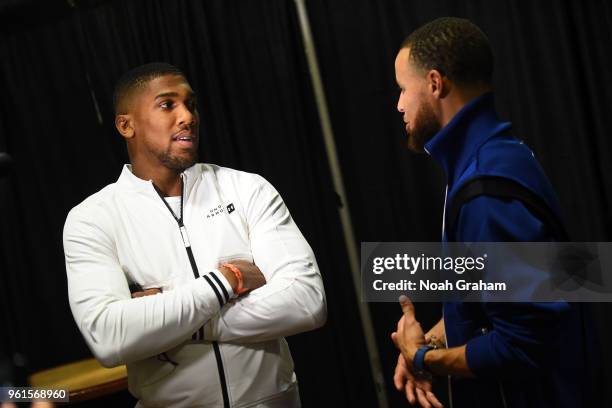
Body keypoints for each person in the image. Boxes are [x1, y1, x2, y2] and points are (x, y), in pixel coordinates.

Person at [63, 63, 326, 408]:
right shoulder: (92, 219)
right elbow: (109, 338)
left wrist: (168, 321)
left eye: (191, 104)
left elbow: (306, 302)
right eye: (167, 104)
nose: (188, 116)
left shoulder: (246, 189)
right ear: (126, 125)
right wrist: (226, 280)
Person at [391, 17, 584, 408]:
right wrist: (434, 338)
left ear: (433, 83)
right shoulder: (503, 155)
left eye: (402, 89)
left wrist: (422, 358)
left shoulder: (483, 188)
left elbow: (524, 345)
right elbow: (556, 278)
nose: (399, 105)